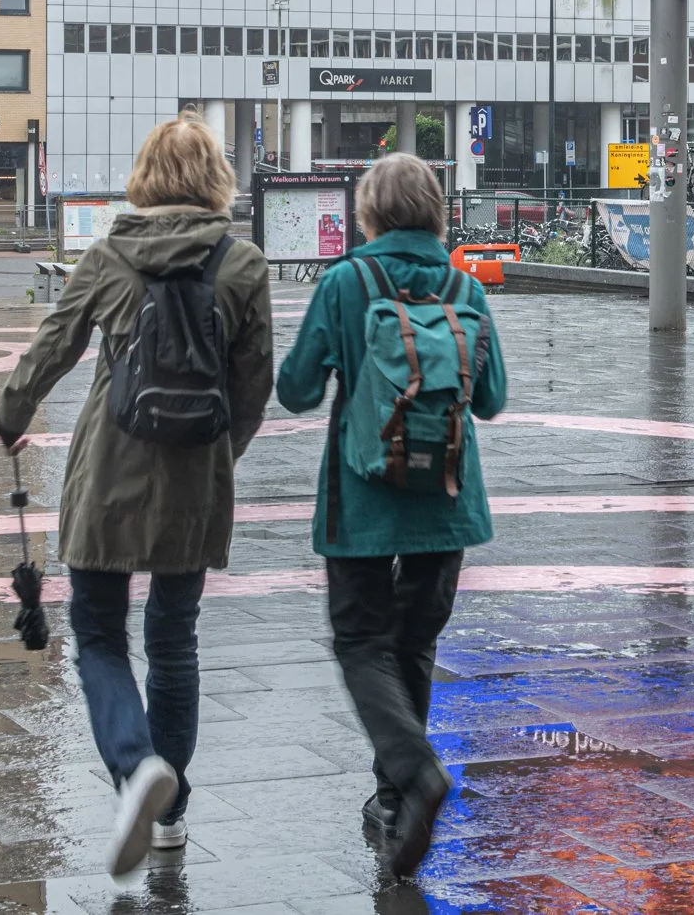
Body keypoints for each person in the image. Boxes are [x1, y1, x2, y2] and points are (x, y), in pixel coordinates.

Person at [0, 114, 272, 877]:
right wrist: (220, 456)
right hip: (196, 480)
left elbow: (55, 345)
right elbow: (254, 387)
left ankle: (132, 763)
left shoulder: (110, 256)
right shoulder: (242, 264)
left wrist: (10, 417)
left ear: (144, 173)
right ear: (216, 177)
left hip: (108, 471)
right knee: (174, 642)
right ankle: (171, 812)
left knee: (100, 635)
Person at [276, 152, 507, 877]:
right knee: (413, 645)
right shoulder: (463, 285)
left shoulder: (347, 282)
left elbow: (297, 390)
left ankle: (414, 775)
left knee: (360, 643)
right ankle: (395, 800)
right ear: (437, 212)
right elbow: (492, 398)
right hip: (446, 499)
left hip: (363, 499)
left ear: (367, 215)